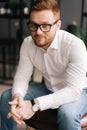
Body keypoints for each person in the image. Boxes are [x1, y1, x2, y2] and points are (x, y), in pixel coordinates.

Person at [1, 0, 87, 130]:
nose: (39, 32)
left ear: (58, 25)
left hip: (79, 91)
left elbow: (73, 91)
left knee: (67, 113)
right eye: (34, 25)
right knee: (7, 97)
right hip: (48, 87)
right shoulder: (28, 43)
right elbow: (22, 77)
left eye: (45, 25)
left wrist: (34, 105)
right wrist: (17, 97)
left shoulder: (75, 45)